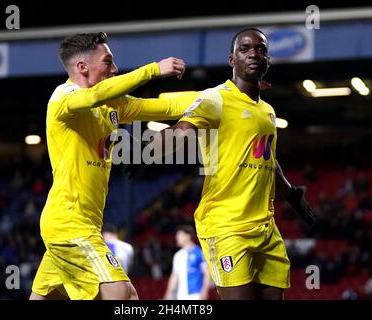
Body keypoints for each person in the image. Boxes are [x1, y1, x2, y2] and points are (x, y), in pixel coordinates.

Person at [138, 28, 315, 300]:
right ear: (232, 59)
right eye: (244, 49)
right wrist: (148, 149)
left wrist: (292, 194)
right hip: (226, 227)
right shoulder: (215, 98)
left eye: (261, 49)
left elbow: (266, 159)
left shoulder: (267, 111)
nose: (254, 54)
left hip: (266, 229)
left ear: (268, 59)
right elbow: (183, 129)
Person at [30, 32, 198, 300]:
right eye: (107, 62)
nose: (115, 69)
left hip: (80, 225)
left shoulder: (110, 105)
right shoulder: (63, 99)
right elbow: (93, 96)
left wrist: (225, 96)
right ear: (82, 67)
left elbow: (164, 107)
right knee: (123, 295)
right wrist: (152, 70)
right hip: (70, 225)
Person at [163, 225, 211, 300]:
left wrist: (204, 291)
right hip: (180, 296)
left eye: (180, 235)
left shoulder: (199, 252)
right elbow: (175, 276)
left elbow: (207, 273)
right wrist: (168, 294)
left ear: (188, 236)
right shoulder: (178, 255)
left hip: (196, 295)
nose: (177, 237)